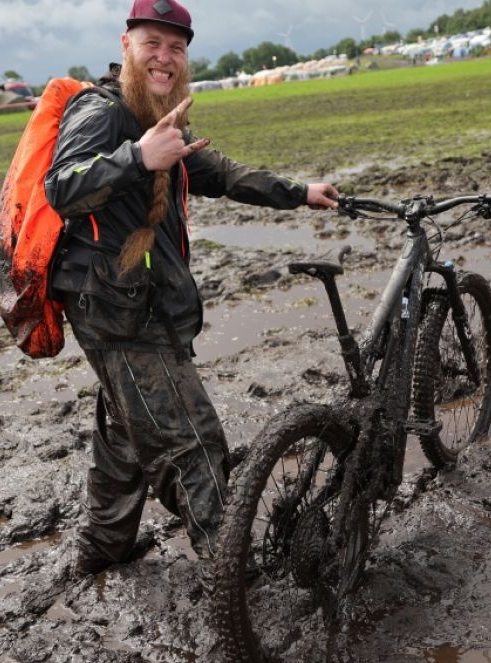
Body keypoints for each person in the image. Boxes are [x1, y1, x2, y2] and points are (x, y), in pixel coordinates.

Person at [43, 0, 339, 576]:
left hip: (139, 305)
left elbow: (217, 173)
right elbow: (63, 187)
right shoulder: (99, 111)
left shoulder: (162, 116)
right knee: (194, 445)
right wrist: (137, 157)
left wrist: (297, 191)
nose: (165, 57)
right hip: (118, 313)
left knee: (126, 437)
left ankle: (104, 550)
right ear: (127, 44)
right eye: (153, 43)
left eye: (176, 48)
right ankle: (235, 579)